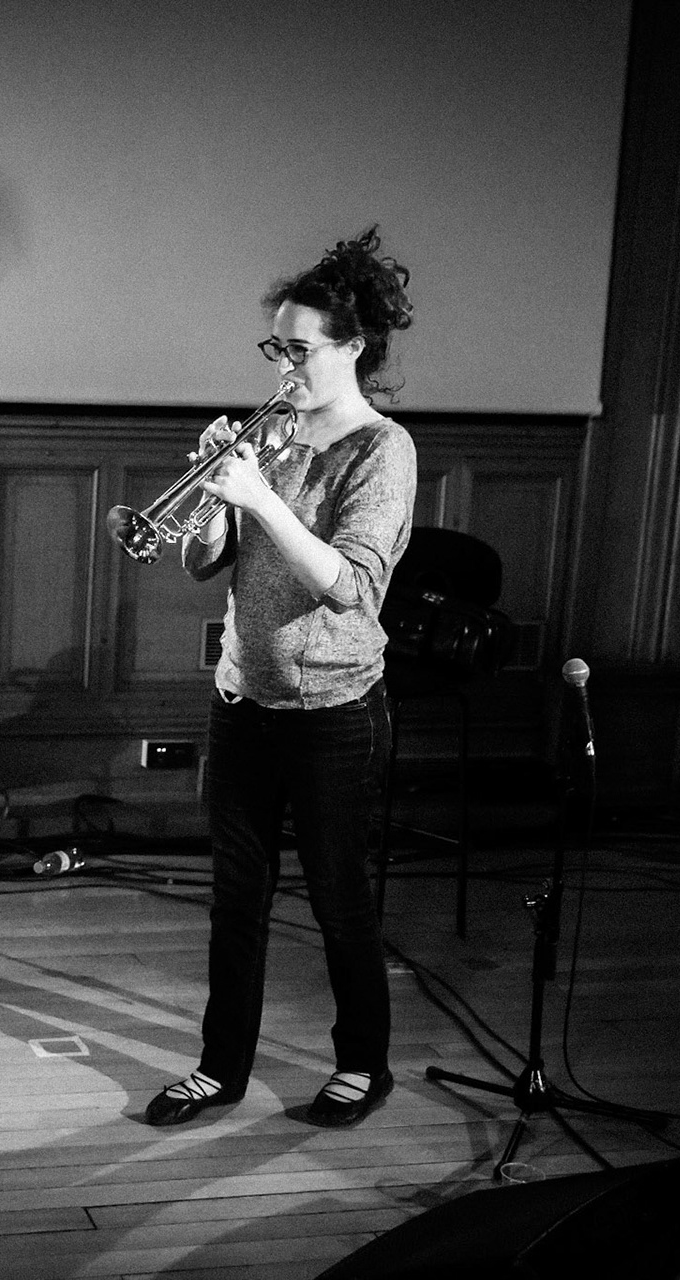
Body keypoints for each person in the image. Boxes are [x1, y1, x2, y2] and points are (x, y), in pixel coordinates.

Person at [146, 228, 416, 1129]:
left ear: (354, 347)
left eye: (300, 350)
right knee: (236, 900)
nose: (284, 366)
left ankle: (364, 1064)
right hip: (244, 702)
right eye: (277, 347)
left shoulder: (382, 451)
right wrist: (218, 496)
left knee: (341, 899)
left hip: (335, 712)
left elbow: (349, 585)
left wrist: (260, 493)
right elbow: (202, 568)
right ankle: (220, 1069)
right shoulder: (273, 435)